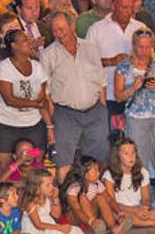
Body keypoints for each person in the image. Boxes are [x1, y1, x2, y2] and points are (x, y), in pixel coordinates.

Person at [41, 11, 110, 182]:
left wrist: (102, 107)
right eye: (55, 30)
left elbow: (101, 80)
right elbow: (45, 92)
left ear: (72, 26)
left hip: (95, 111)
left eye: (61, 29)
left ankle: (94, 193)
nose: (58, 34)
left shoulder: (90, 47)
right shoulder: (48, 54)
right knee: (64, 160)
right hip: (65, 113)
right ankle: (65, 196)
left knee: (98, 159)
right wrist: (53, 119)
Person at [113, 28, 155, 202]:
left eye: (148, 47)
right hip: (136, 118)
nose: (144, 51)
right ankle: (142, 202)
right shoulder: (124, 67)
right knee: (139, 160)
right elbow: (118, 97)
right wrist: (133, 88)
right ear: (134, 46)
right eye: (141, 47)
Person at [0, 30, 53, 183]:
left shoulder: (37, 67)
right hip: (5, 125)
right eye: (24, 40)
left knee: (36, 166)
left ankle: (31, 195)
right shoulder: (4, 68)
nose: (29, 42)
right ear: (14, 46)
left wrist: (49, 126)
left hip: (33, 125)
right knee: (3, 167)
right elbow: (9, 100)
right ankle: (1, 196)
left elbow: (43, 101)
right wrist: (35, 103)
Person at [87, 0, 146, 130]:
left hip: (137, 95)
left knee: (136, 138)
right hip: (109, 96)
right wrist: (110, 62)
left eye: (131, 7)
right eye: (124, 7)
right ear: (113, 6)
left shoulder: (140, 28)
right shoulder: (96, 29)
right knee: (113, 137)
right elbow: (87, 62)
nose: (129, 12)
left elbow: (150, 60)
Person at [103, 137, 155, 229]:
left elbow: (146, 198)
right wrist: (135, 211)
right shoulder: (109, 174)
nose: (131, 157)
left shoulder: (142, 172)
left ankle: (140, 221)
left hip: (139, 208)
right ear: (118, 156)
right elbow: (112, 203)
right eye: (126, 154)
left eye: (133, 153)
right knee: (115, 215)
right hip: (122, 209)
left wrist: (145, 207)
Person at [61, 155, 132, 234]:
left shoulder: (97, 184)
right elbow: (76, 210)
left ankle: (114, 229)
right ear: (85, 173)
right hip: (76, 220)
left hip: (90, 218)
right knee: (83, 198)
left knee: (100, 198)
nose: (98, 173)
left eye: (98, 170)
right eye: (95, 170)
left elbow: (109, 199)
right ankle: (95, 227)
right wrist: (91, 222)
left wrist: (119, 212)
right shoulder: (74, 187)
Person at [21, 168, 88, 234]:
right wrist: (59, 227)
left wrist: (55, 199)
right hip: (35, 229)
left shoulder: (47, 198)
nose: (51, 187)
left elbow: (56, 215)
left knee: (73, 232)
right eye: (47, 185)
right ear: (37, 187)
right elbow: (38, 225)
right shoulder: (31, 202)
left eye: (52, 184)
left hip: (48, 225)